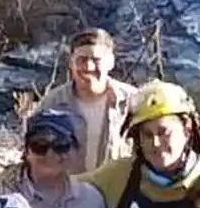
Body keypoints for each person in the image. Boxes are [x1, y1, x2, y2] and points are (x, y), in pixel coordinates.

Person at [39, 28, 135, 174]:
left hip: (118, 187)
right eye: (81, 59)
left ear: (110, 62)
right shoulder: (52, 105)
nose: (89, 67)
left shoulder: (132, 102)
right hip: (69, 187)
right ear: (71, 63)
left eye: (96, 60)